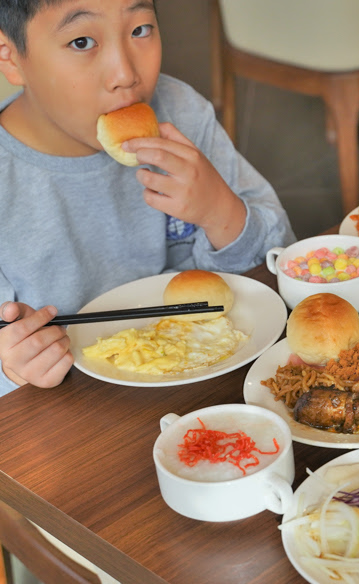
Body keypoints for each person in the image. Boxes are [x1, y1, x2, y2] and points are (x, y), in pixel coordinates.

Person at [0, 0, 295, 398]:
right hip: (77, 420)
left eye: (140, 30)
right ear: (11, 57)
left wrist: (218, 210)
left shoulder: (179, 111)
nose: (126, 75)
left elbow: (287, 264)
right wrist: (13, 368)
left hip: (215, 382)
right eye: (82, 41)